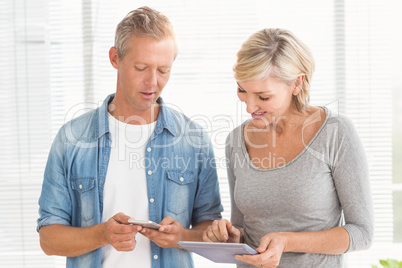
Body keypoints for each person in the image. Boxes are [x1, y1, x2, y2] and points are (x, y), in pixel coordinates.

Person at [37, 6, 223, 268]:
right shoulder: (72, 139)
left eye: (163, 70)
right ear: (115, 58)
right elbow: (49, 239)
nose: (153, 82)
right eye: (141, 67)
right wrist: (102, 234)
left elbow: (210, 231)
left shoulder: (193, 140)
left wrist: (181, 236)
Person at [202, 28, 374, 268]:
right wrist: (233, 237)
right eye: (242, 90)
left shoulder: (335, 133)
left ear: (297, 83)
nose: (250, 107)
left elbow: (362, 233)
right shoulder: (236, 141)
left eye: (263, 97)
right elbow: (243, 226)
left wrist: (287, 241)